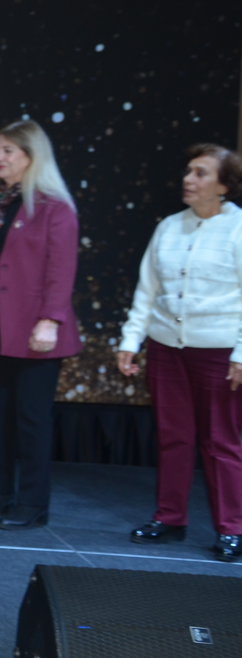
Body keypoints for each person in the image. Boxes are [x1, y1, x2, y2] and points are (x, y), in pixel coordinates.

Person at [117, 144, 242, 562]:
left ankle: (233, 528)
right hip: (167, 349)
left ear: (224, 185)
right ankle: (170, 519)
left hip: (218, 352)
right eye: (189, 170)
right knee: (173, 436)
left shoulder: (238, 228)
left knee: (221, 441)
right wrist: (130, 341)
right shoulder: (169, 227)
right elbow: (147, 291)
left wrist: (241, 354)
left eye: (201, 173)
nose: (189, 179)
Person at [0, 120, 79, 530]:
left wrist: (49, 321)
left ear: (32, 156)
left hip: (35, 334)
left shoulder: (55, 209)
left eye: (8, 150)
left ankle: (32, 502)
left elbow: (61, 271)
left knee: (31, 419)